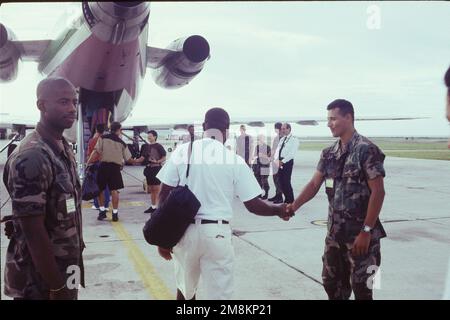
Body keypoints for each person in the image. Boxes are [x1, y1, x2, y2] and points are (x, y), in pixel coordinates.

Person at [155, 107, 293, 300]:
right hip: (217, 234)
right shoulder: (233, 159)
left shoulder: (182, 151)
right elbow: (253, 204)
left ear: (204, 127)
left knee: (185, 293)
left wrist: (164, 237)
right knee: (220, 297)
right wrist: (278, 209)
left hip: (184, 232)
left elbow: (163, 194)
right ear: (227, 131)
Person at [287, 99, 387, 300]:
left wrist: (366, 231)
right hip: (335, 237)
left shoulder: (367, 150)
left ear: (348, 117)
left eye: (333, 119)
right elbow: (314, 184)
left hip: (362, 239)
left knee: (364, 290)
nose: (329, 123)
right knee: (332, 286)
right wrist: (292, 207)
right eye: (328, 119)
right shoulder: (329, 153)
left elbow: (378, 192)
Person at [2, 77, 84, 300]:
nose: (72, 108)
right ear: (42, 105)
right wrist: (57, 288)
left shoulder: (62, 147)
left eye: (74, 102)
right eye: (64, 102)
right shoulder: (32, 156)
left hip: (66, 267)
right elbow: (33, 231)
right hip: (40, 281)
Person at [87, 121, 140, 222]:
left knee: (101, 189)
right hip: (115, 168)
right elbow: (129, 159)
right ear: (119, 130)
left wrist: (88, 163)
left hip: (103, 166)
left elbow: (96, 151)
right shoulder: (122, 143)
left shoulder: (103, 138)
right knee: (114, 190)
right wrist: (139, 160)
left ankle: (102, 212)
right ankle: (115, 213)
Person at [135, 130, 167, 213]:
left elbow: (164, 157)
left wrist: (157, 161)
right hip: (149, 169)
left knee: (157, 189)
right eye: (148, 135)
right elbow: (142, 158)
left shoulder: (158, 146)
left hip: (156, 169)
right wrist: (133, 161)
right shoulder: (146, 146)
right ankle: (153, 207)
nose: (149, 137)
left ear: (155, 137)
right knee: (152, 189)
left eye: (150, 135)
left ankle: (159, 207)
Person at [86, 123, 110, 210]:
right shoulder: (107, 141)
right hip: (106, 163)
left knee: (96, 186)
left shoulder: (92, 141)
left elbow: (89, 154)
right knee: (106, 186)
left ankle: (97, 205)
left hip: (96, 164)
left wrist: (88, 163)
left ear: (96, 130)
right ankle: (106, 205)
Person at [274, 123, 299, 204]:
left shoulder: (294, 139)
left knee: (286, 181)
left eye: (284, 129)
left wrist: (282, 161)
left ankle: (290, 200)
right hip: (279, 162)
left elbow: (292, 153)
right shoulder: (282, 139)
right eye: (282, 129)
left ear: (289, 129)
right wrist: (276, 160)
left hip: (287, 162)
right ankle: (286, 199)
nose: (282, 130)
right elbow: (277, 151)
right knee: (280, 182)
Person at [252, 134, 271, 199]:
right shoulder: (257, 147)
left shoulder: (268, 147)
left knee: (264, 180)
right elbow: (255, 155)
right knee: (258, 180)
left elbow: (270, 158)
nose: (259, 140)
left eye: (261, 139)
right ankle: (259, 193)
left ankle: (266, 194)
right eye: (259, 139)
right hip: (257, 166)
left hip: (265, 165)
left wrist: (262, 155)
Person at [268, 122, 284, 202]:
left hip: (278, 161)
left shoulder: (282, 138)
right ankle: (277, 195)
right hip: (275, 161)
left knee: (278, 179)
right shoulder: (277, 138)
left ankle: (280, 197)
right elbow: (273, 149)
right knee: (275, 178)